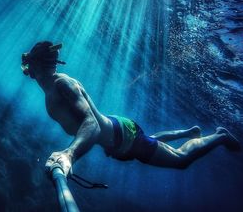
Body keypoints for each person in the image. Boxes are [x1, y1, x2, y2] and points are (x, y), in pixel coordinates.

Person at [21, 41, 241, 176]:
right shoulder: (51, 89)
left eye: (28, 62)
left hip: (124, 136)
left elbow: (92, 124)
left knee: (180, 160)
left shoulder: (62, 84)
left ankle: (220, 136)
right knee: (150, 139)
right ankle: (188, 132)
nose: (26, 68)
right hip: (119, 135)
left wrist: (69, 154)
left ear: (37, 64)